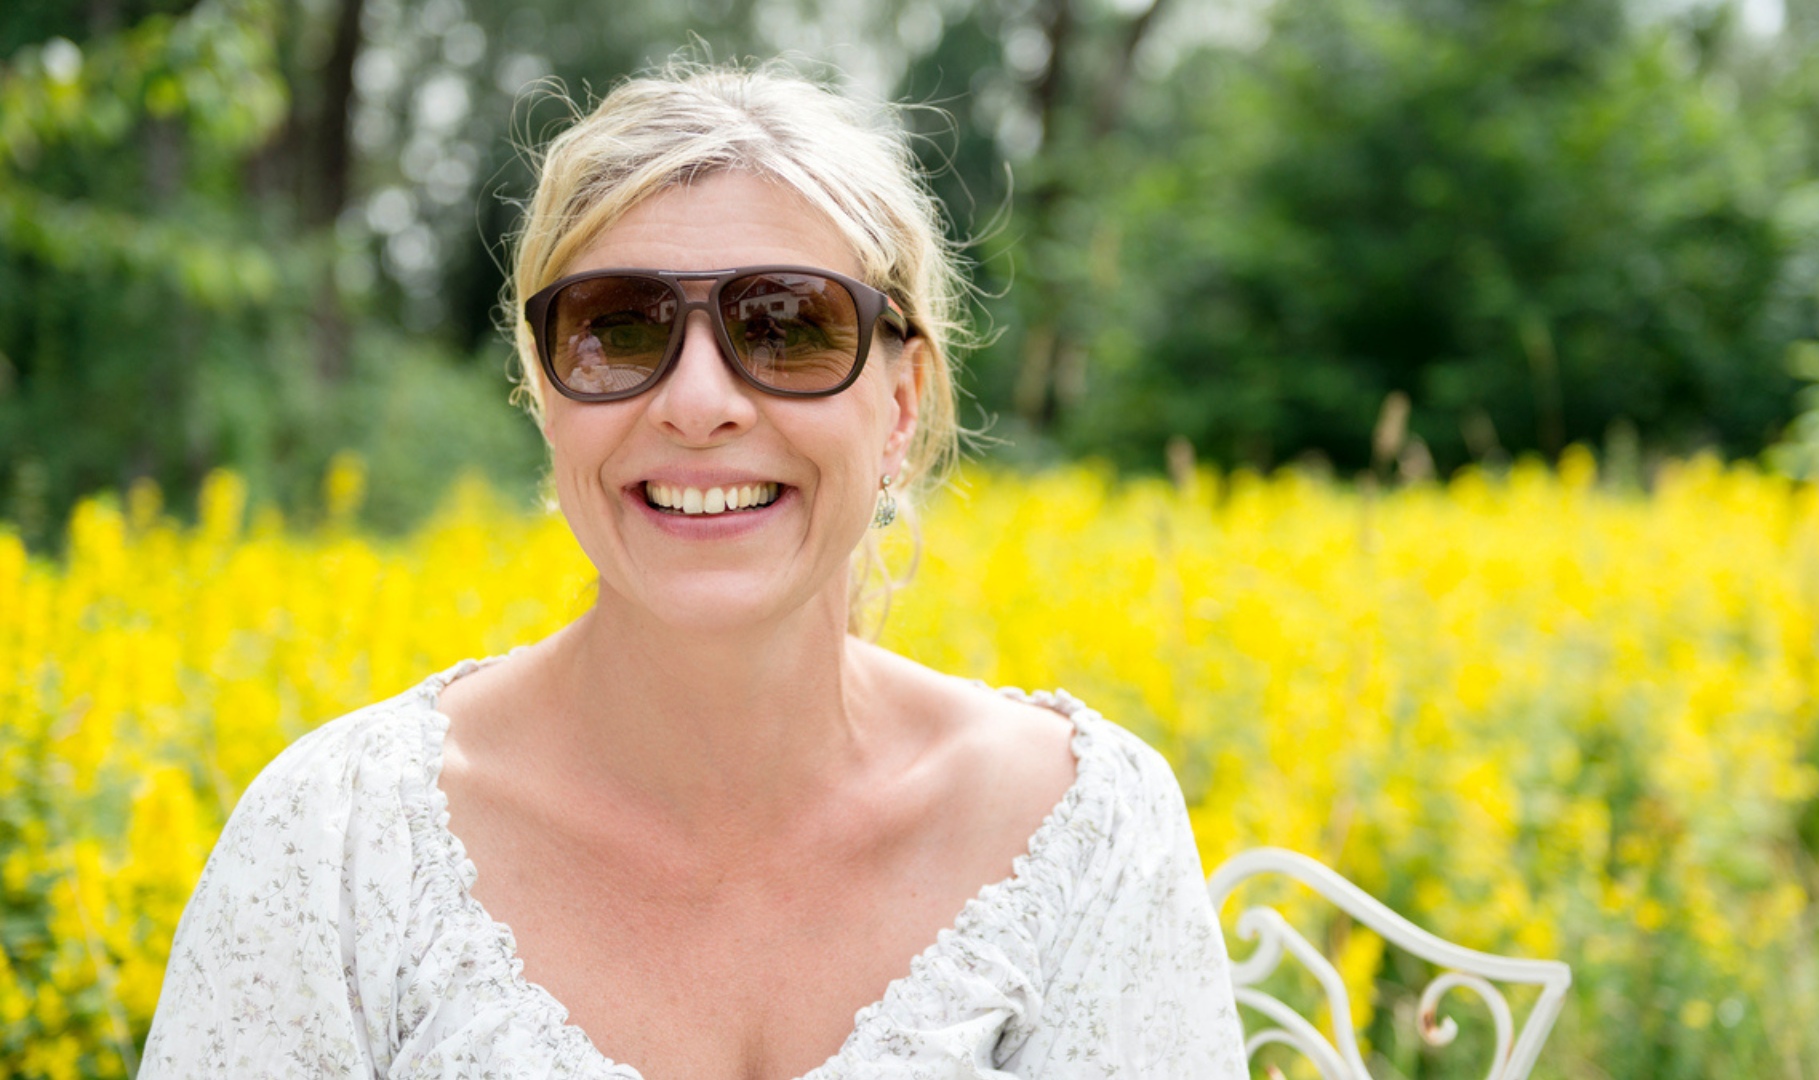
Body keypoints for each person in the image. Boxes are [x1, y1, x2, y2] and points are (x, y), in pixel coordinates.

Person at [141, 61, 1244, 1079]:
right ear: (546, 398)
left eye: (789, 328)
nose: (699, 402)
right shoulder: (337, 843)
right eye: (617, 330)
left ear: (902, 407)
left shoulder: (1083, 829)